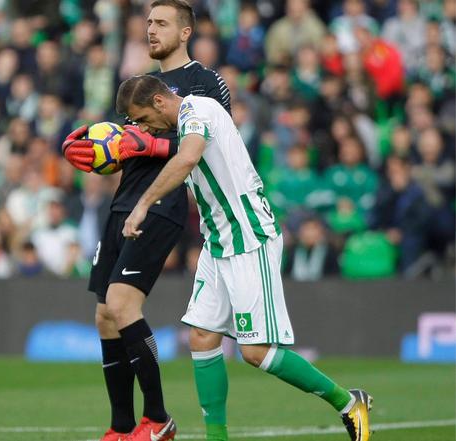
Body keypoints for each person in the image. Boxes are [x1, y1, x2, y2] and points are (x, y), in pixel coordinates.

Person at [116, 74, 372, 441]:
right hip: (218, 241)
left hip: (249, 237)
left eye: (141, 118)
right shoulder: (181, 124)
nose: (143, 127)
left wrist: (142, 204)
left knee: (254, 351)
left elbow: (188, 158)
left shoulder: (198, 109)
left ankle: (349, 403)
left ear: (158, 102)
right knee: (202, 337)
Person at [61, 1, 231, 440]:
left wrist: (148, 147)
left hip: (163, 203)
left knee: (122, 305)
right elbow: (129, 147)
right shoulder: (138, 84)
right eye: (149, 22)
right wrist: (100, 154)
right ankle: (121, 427)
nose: (151, 30)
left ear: (186, 31)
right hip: (125, 203)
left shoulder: (204, 83)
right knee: (104, 315)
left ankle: (157, 419)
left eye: (161, 23)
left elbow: (210, 146)